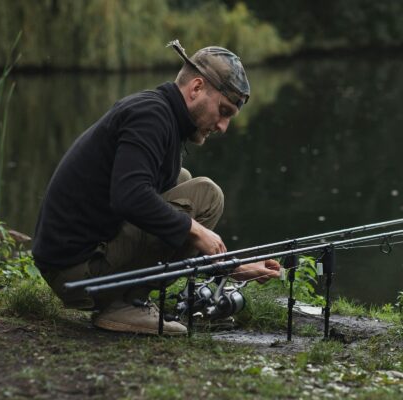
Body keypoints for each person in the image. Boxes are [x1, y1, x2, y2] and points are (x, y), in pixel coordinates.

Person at [32, 40, 280, 336]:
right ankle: (125, 303)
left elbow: (144, 208)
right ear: (196, 88)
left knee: (182, 181)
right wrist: (196, 230)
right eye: (223, 110)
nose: (223, 126)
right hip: (79, 274)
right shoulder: (150, 116)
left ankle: (125, 299)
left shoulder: (162, 114)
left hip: (77, 267)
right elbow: (129, 197)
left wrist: (232, 267)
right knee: (206, 195)